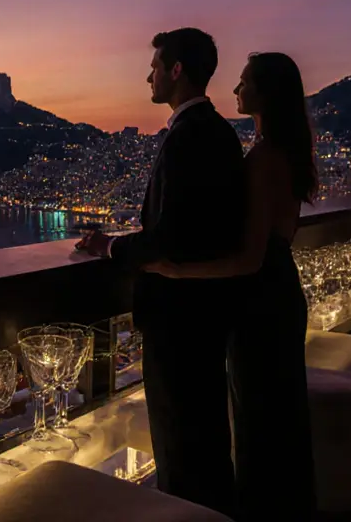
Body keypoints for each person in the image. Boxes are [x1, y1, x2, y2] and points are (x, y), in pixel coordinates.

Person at [77, 28, 247, 516]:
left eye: (154, 66)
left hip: (178, 322)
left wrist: (108, 245)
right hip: (210, 316)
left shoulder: (185, 138)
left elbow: (170, 240)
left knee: (180, 448)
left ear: (176, 71)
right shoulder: (220, 133)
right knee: (207, 441)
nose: (147, 75)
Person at [145, 51, 318, 520]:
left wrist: (176, 270)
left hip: (260, 302)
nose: (236, 91)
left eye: (244, 83)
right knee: (277, 420)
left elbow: (248, 259)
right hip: (279, 293)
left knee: (261, 423)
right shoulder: (283, 151)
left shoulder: (264, 158)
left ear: (264, 93)